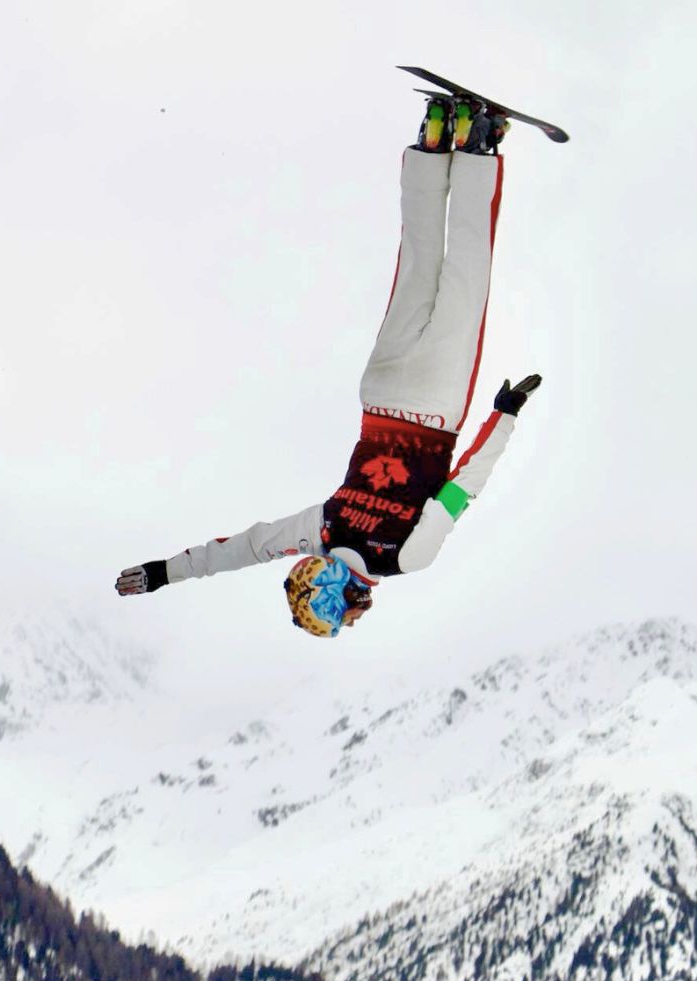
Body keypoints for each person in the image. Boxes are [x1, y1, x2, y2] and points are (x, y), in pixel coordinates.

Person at [116, 95, 542, 637]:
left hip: (435, 406)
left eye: (344, 615)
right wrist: (161, 574)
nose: (359, 617)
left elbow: (464, 487)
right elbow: (243, 549)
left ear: (339, 591)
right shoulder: (321, 531)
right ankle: (433, 144)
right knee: (414, 266)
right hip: (380, 392)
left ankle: (479, 144)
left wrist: (504, 415)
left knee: (465, 275)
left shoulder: (405, 560)